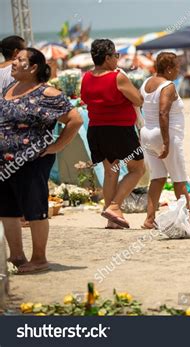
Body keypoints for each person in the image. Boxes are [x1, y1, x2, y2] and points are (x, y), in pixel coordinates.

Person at [0, 48, 83, 273]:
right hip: (4, 162)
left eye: (20, 60)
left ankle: (39, 258)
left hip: (31, 161)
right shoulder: (9, 88)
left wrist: (57, 146)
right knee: (7, 209)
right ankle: (17, 256)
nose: (13, 63)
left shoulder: (47, 93)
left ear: (34, 67)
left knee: (35, 208)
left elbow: (75, 120)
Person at [81, 39, 145, 229]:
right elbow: (138, 99)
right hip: (119, 130)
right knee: (137, 169)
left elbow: (85, 99)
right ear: (107, 57)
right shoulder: (117, 77)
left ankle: (111, 219)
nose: (117, 59)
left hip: (96, 130)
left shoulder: (86, 77)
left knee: (111, 173)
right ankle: (115, 206)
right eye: (116, 55)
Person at [140, 52, 190, 229]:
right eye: (177, 67)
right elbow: (163, 113)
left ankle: (149, 219)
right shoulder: (168, 86)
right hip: (164, 135)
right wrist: (167, 142)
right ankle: (188, 218)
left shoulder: (147, 82)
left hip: (146, 133)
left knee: (157, 178)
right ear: (169, 69)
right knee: (179, 179)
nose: (178, 71)